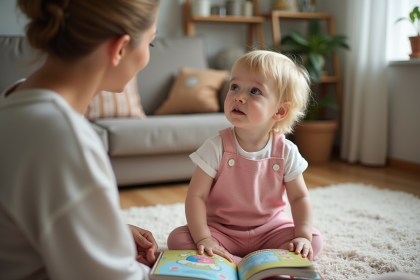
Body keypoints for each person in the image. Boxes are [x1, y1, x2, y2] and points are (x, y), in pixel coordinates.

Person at [0, 0, 159, 279]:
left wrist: (111, 234)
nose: (147, 58)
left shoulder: (14, 100)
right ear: (120, 48)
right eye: (150, 44)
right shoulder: (61, 137)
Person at [167, 50, 323, 265]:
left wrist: (302, 236)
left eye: (255, 91)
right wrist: (204, 238)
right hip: (221, 231)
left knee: (313, 240)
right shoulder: (216, 146)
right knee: (178, 239)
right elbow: (196, 196)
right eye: (235, 87)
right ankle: (246, 262)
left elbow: (299, 198)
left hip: (270, 229)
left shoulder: (286, 151)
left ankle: (242, 262)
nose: (239, 96)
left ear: (279, 111)